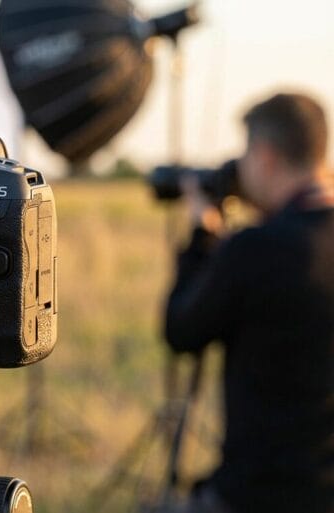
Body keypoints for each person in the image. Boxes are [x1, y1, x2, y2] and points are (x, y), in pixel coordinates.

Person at [164, 92, 333, 513]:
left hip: (259, 493)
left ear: (265, 155)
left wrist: (203, 239)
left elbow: (181, 331)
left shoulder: (256, 249)